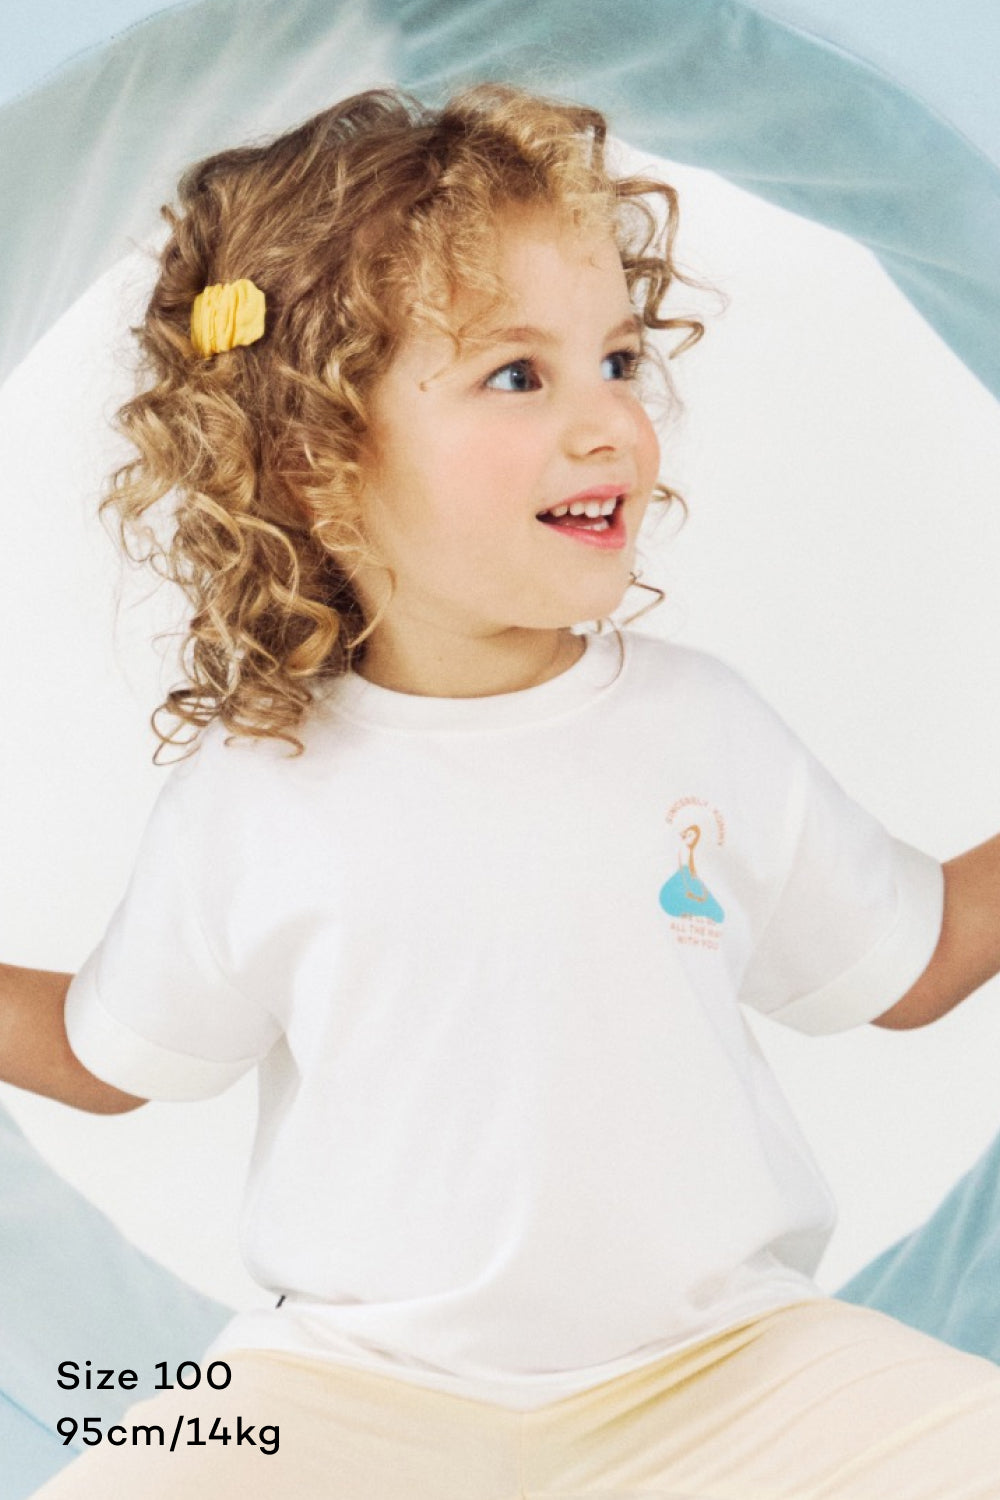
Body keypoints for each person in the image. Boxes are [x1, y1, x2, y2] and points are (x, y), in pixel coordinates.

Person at [6, 82, 1000, 1499]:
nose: (613, 425)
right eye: (520, 375)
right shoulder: (257, 789)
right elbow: (112, 1057)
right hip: (352, 1385)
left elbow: (916, 960)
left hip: (728, 1368)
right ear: (314, 457)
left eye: (618, 357)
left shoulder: (700, 727)